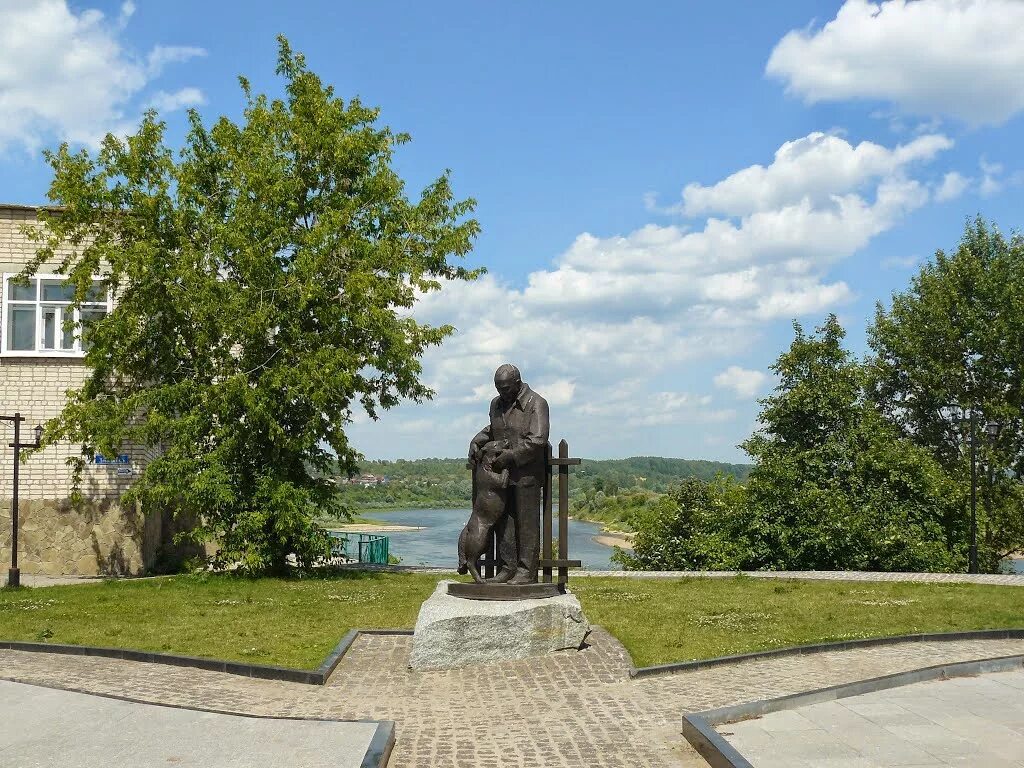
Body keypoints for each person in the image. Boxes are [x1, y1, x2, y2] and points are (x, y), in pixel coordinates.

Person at [468, 364, 549, 584]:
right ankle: (507, 567)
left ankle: (526, 571)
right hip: (500, 476)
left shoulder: (537, 403)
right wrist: (477, 440)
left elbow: (538, 439)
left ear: (517, 382)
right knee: (504, 523)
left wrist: (511, 456)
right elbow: (493, 430)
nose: (501, 393)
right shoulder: (496, 404)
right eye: (498, 388)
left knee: (527, 524)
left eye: (505, 388)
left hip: (526, 476)